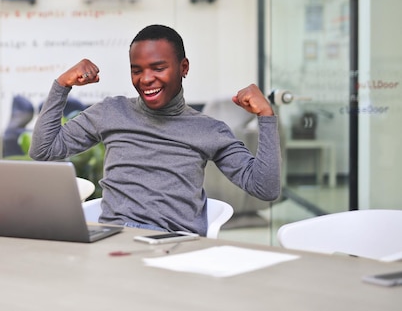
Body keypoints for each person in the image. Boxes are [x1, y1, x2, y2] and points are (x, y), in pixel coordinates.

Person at [29, 24, 281, 236]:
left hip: (172, 245)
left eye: (158, 68)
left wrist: (266, 117)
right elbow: (43, 149)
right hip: (115, 240)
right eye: (136, 70)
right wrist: (62, 85)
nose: (146, 79)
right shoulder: (111, 112)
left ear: (184, 68)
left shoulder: (209, 130)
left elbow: (265, 189)